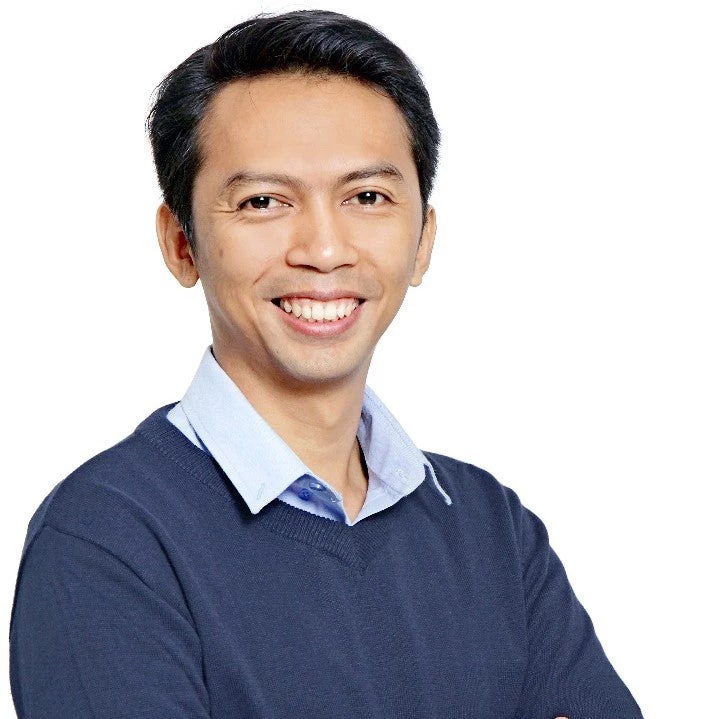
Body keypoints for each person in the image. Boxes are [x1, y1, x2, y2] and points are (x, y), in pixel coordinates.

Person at [9, 10, 642, 718]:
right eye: (263, 201)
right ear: (181, 244)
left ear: (422, 241)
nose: (324, 249)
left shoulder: (491, 529)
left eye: (367, 197)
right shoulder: (106, 540)